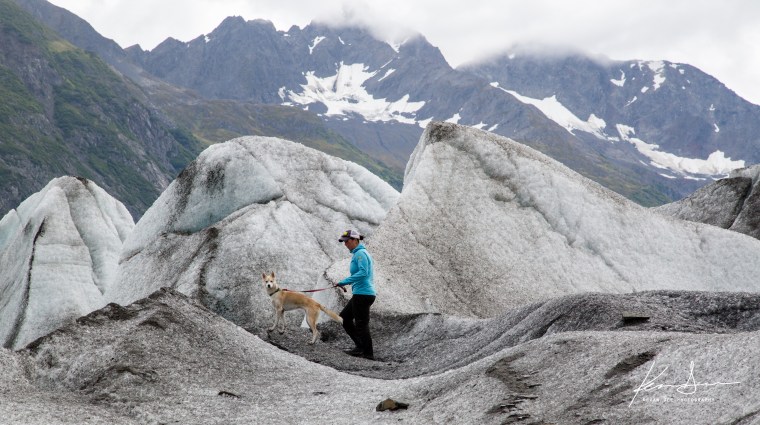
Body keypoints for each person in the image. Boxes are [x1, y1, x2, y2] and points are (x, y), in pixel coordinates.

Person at [336, 229, 376, 360]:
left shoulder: (360, 254)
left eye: (347, 241)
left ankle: (368, 354)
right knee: (344, 318)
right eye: (344, 242)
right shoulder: (359, 253)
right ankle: (360, 347)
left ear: (354, 240)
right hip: (360, 293)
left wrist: (345, 282)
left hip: (363, 295)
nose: (345, 244)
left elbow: (363, 273)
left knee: (361, 324)